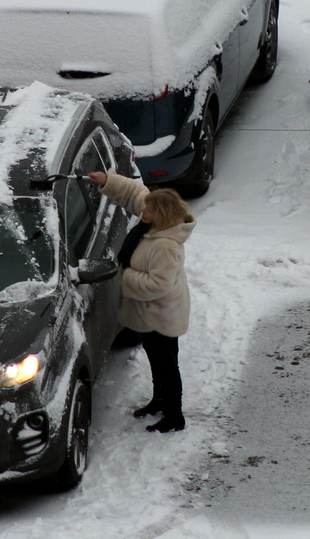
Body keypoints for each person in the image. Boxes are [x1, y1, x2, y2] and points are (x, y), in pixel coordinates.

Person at [87, 170, 195, 433]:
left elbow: (158, 285)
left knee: (167, 366)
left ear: (162, 215)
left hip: (162, 315)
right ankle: (159, 401)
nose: (142, 211)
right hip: (149, 314)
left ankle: (174, 416)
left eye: (148, 211)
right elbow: (136, 193)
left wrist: (126, 276)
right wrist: (108, 181)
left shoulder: (166, 246)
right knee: (156, 360)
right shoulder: (152, 221)